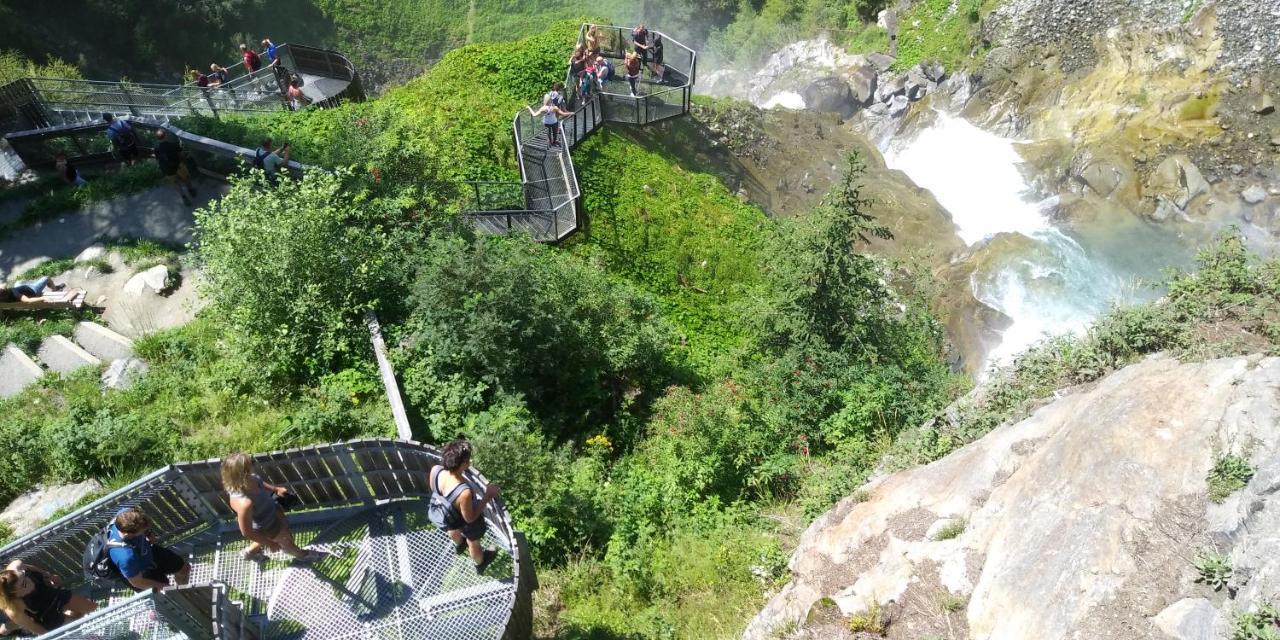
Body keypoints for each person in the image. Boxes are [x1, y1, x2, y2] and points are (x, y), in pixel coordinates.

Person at [222, 453, 323, 562]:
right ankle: (304, 555)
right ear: (244, 472)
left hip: (273, 512)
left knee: (285, 530)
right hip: (267, 525)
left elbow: (261, 483)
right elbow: (247, 532)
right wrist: (271, 544)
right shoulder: (244, 502)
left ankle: (249, 552)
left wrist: (276, 489)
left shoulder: (251, 478)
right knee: (286, 541)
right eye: (251, 463)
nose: (254, 464)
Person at [428, 440, 501, 575]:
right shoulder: (463, 492)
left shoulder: (436, 470)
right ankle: (480, 563)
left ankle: (459, 545)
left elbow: (435, 490)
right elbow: (470, 518)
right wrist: (488, 496)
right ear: (462, 464)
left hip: (445, 513)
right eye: (468, 460)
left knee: (452, 528)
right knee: (473, 541)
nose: (470, 462)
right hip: (462, 519)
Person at [0, 560, 96, 635]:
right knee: (77, 626)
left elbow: (30, 568)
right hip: (45, 614)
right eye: (24, 583)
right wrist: (52, 635)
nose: (28, 580)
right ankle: (4, 631)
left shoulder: (16, 567)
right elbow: (34, 627)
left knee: (93, 608)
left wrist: (48, 575)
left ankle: (65, 610)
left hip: (52, 595)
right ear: (15, 593)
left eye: (24, 574)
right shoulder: (15, 608)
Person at [106, 508, 190, 591]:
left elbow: (142, 524)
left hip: (147, 551)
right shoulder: (125, 556)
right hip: (140, 571)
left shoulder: (125, 514)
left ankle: (184, 592)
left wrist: (148, 533)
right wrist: (165, 587)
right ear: (129, 534)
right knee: (169, 592)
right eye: (143, 530)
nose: (145, 531)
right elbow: (138, 582)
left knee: (184, 569)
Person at [154, 129, 197, 206]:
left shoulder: (156, 148)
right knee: (186, 178)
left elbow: (158, 160)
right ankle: (191, 190)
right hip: (178, 165)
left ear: (157, 138)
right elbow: (181, 155)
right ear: (165, 136)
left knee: (175, 183)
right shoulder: (173, 144)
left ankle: (184, 197)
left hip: (167, 169)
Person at [0, 277, 66, 303]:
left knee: (18, 282)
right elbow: (28, 300)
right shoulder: (16, 293)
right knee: (46, 278)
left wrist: (2, 288)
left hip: (23, 289)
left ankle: (32, 282)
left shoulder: (2, 297)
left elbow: (4, 285)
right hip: (33, 290)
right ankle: (55, 290)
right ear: (5, 290)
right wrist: (43, 298)